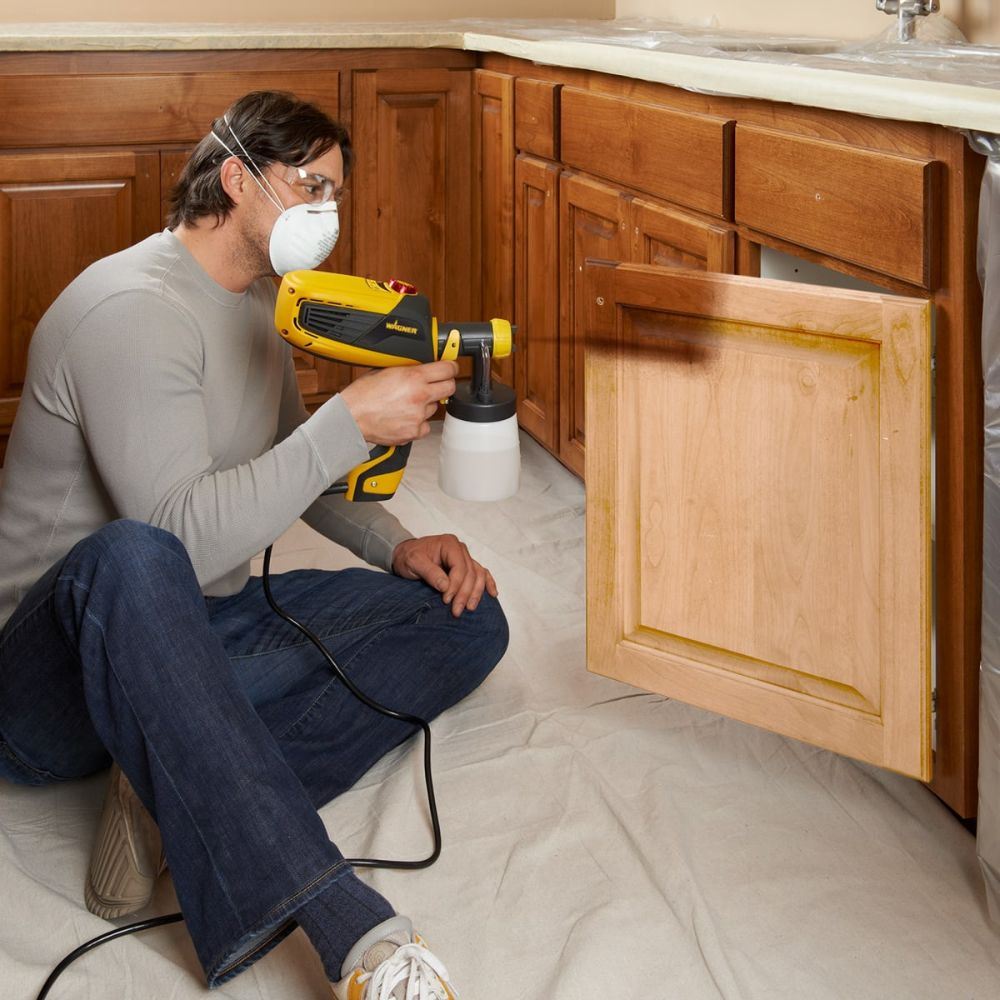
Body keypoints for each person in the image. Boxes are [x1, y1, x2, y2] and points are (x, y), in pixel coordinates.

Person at [0, 89, 508, 1000]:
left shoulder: (263, 306)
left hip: (196, 629)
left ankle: (167, 789)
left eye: (336, 194)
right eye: (312, 187)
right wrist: (346, 422)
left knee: (467, 619)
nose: (328, 214)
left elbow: (290, 469)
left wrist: (398, 547)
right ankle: (353, 932)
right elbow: (175, 542)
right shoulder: (129, 309)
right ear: (236, 180)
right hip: (47, 678)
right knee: (135, 552)